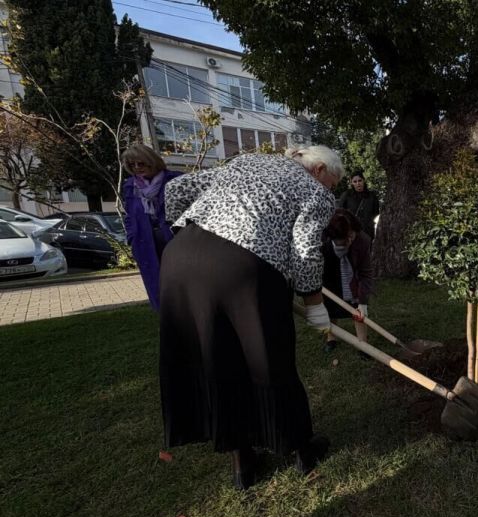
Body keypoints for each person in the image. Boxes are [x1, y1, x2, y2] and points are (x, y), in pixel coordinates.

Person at [159, 146, 342, 490]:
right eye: (332, 184)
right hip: (244, 269)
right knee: (268, 360)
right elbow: (305, 251)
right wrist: (315, 305)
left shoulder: (247, 161)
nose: (330, 192)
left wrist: (196, 235)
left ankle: (242, 462)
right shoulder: (314, 192)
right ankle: (301, 449)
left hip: (181, 258)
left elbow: (176, 190)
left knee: (217, 360)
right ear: (318, 170)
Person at [120, 144, 182, 311]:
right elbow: (130, 215)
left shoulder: (175, 180)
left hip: (175, 240)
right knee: (157, 286)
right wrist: (132, 237)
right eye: (132, 165)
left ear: (152, 161)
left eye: (141, 163)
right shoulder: (130, 186)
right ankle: (168, 320)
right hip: (145, 242)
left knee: (182, 282)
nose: (137, 168)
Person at [321, 208, 374, 353]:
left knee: (357, 307)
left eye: (349, 238)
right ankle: (331, 338)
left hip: (352, 274)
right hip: (329, 273)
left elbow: (365, 273)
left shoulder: (362, 241)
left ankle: (363, 344)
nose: (347, 242)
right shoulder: (321, 239)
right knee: (329, 306)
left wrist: (362, 302)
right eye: (342, 242)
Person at [337, 171, 380, 239]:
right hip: (352, 233)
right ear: (352, 183)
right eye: (355, 181)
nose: (358, 183)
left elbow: (376, 214)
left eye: (360, 180)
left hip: (367, 233)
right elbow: (340, 213)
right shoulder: (347, 195)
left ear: (363, 180)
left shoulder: (372, 196)